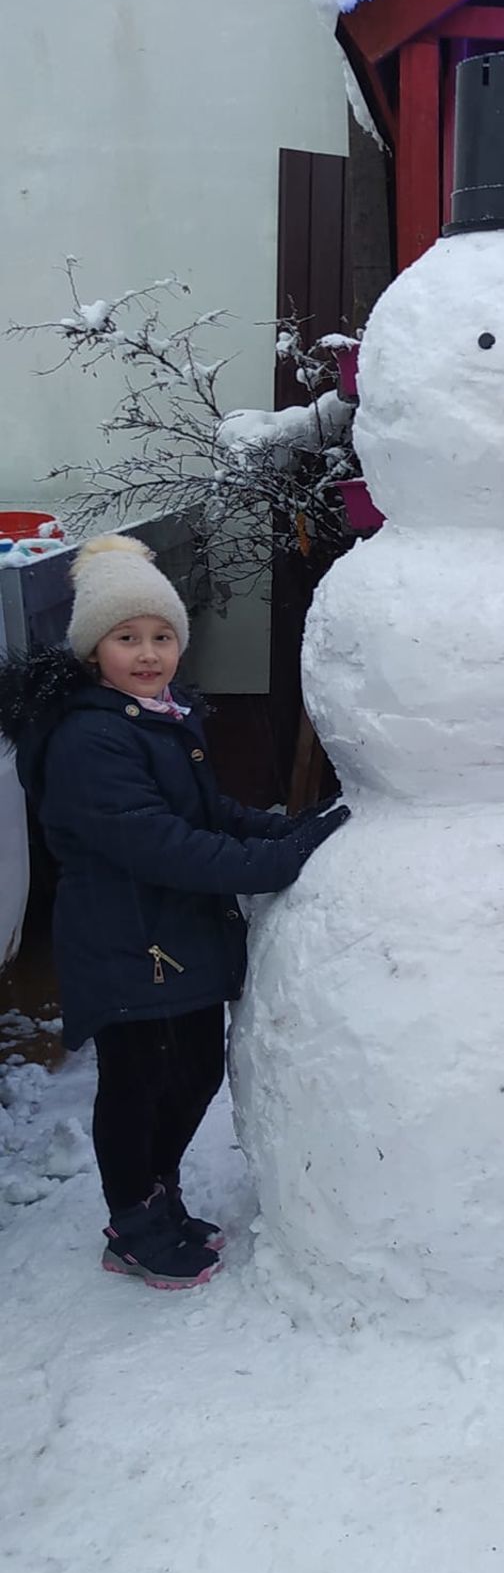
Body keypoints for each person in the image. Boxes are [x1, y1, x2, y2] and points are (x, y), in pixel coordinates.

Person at [0, 534, 349, 1290]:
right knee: (141, 1085)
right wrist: (278, 861)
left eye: (162, 636)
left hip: (171, 938)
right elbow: (162, 844)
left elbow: (204, 810)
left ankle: (161, 1199)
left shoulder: (157, 714)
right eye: (127, 638)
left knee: (189, 1075)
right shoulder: (91, 737)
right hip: (127, 942)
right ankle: (134, 1223)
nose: (149, 652)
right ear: (95, 649)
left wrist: (280, 826)